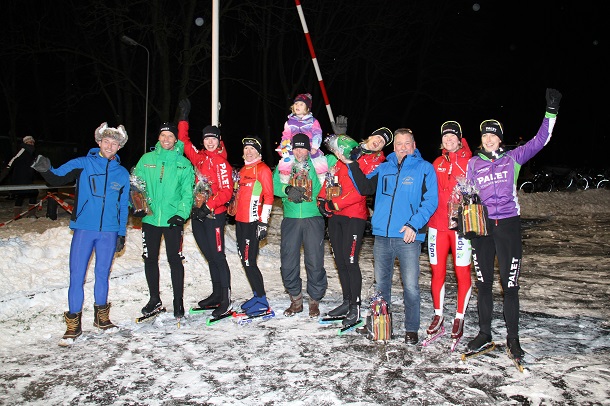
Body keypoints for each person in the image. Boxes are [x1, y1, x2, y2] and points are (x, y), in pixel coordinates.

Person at [465, 88, 562, 360]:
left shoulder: (513, 158)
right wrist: (463, 218)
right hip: (482, 229)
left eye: (493, 135)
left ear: (500, 140)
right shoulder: (473, 164)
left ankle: (513, 339)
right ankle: (485, 333)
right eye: (485, 135)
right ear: (481, 140)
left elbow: (541, 140)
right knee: (483, 283)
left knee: (510, 285)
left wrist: (550, 111)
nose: (489, 139)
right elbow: (467, 195)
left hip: (507, 225)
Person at [30, 123, 130, 345]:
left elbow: (123, 206)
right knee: (77, 276)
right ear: (99, 142)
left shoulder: (122, 173)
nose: (110, 145)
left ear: (119, 146)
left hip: (110, 232)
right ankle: (73, 325)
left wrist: (121, 233)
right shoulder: (83, 163)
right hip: (84, 229)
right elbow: (56, 178)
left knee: (102, 274)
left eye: (115, 143)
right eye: (106, 141)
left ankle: (102, 320)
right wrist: (45, 168)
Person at [344, 128, 438, 345]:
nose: (403, 147)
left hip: (408, 236)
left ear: (414, 145)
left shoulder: (424, 168)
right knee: (381, 285)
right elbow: (365, 186)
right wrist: (351, 164)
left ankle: (411, 329)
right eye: (399, 144)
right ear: (393, 146)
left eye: (407, 143)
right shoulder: (384, 167)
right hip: (382, 237)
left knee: (411, 286)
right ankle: (382, 325)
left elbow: (431, 201)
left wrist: (414, 225)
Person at [317, 128, 390, 328]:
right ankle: (347, 302)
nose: (378, 142)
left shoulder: (378, 163)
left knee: (350, 261)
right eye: (377, 137)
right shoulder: (348, 150)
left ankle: (356, 307)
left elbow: (362, 191)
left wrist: (336, 203)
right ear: (369, 136)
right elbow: (333, 177)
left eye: (382, 142)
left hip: (354, 216)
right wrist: (322, 198)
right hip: (335, 217)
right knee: (340, 261)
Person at [177, 99, 234, 318]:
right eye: (207, 139)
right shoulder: (199, 158)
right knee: (210, 256)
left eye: (213, 139)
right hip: (198, 215)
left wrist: (208, 206)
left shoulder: (221, 163)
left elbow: (227, 192)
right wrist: (183, 118)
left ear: (219, 141)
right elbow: (183, 140)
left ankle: (226, 299)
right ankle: (217, 294)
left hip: (214, 216)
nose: (210, 142)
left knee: (219, 257)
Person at [133, 122, 195, 319]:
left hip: (172, 220)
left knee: (175, 260)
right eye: (163, 135)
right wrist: (137, 206)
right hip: (150, 219)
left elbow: (188, 193)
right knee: (149, 259)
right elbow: (136, 185)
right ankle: (154, 299)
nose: (166, 139)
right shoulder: (147, 159)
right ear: (158, 138)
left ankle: (178, 301)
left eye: (170, 136)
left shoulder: (183, 163)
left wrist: (182, 213)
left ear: (176, 139)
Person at [273, 133, 333, 318]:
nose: (299, 151)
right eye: (296, 148)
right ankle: (296, 299)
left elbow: (336, 157)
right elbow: (274, 185)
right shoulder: (285, 163)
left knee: (314, 260)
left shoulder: (318, 163)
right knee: (288, 260)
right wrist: (287, 189)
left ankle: (314, 300)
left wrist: (336, 138)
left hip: (313, 217)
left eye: (303, 147)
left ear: (309, 148)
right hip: (291, 218)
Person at [425, 121, 473, 346]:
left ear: (460, 138)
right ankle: (438, 314)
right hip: (437, 226)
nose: (448, 139)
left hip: (460, 228)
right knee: (437, 272)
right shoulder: (437, 162)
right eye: (445, 136)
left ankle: (459, 317)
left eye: (452, 135)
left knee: (462, 273)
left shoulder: (471, 162)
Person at [234, 136, 274, 316]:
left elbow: (269, 197)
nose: (248, 152)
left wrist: (263, 222)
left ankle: (262, 300)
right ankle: (257, 296)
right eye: (246, 149)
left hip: (252, 223)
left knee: (250, 261)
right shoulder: (242, 170)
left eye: (252, 149)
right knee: (245, 260)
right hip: (240, 222)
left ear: (258, 151)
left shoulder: (262, 169)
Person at [277, 93, 327, 185]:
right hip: (294, 146)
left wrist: (315, 147)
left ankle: (323, 178)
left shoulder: (313, 121)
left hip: (310, 145)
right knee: (286, 158)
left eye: (301, 104)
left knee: (318, 158)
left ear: (307, 108)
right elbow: (286, 135)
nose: (297, 106)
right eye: (296, 104)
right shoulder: (289, 122)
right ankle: (284, 179)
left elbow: (317, 134)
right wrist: (284, 146)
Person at [1, 136, 39, 218]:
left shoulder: (31, 153)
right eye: (29, 142)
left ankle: (26, 215)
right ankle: (21, 215)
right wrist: (2, 177)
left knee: (27, 194)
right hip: (20, 178)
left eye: (32, 142)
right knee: (28, 194)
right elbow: (11, 163)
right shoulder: (22, 150)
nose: (31, 143)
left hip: (28, 178)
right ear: (25, 143)